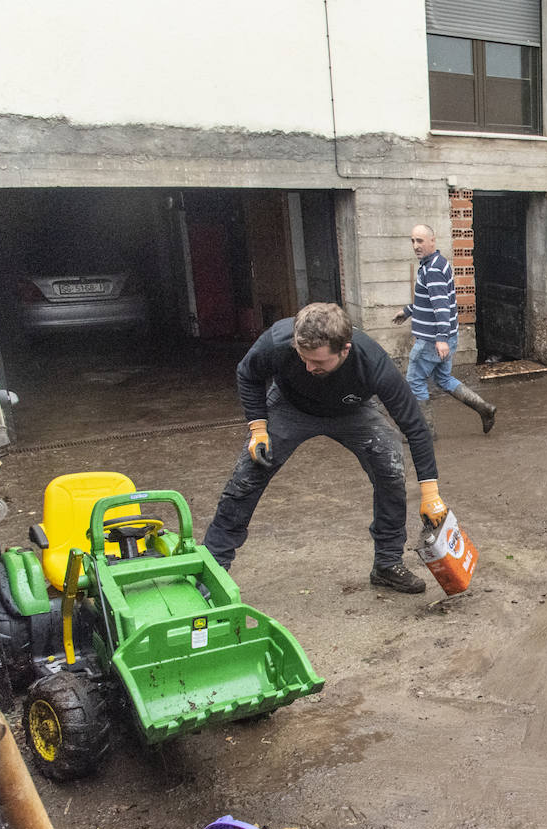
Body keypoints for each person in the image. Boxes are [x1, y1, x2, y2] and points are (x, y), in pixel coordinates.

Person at [204, 301, 449, 594]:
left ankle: (387, 562)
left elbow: (415, 426)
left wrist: (430, 491)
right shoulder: (277, 341)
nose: (309, 367)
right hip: (290, 407)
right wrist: (258, 427)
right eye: (303, 357)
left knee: (390, 467)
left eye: (318, 363)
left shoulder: (372, 362)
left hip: (352, 411)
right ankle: (212, 570)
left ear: (344, 349)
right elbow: (248, 373)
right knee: (249, 473)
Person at [393, 224, 497, 436]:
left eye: (420, 241)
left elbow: (440, 306)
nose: (415, 246)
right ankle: (484, 408)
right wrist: (408, 311)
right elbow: (438, 300)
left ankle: (424, 432)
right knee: (443, 378)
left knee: (415, 381)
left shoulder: (432, 270)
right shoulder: (438, 263)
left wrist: (440, 338)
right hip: (447, 335)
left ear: (433, 241)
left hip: (432, 340)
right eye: (412, 241)